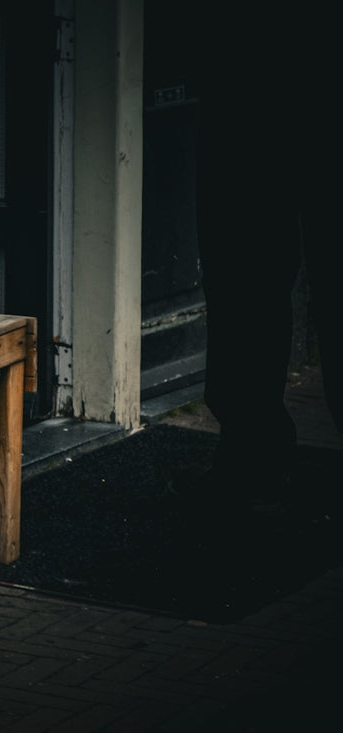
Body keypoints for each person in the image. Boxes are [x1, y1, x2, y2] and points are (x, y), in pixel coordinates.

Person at [193, 6, 341, 508]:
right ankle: (250, 458)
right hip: (247, 47)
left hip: (249, 49)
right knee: (242, 264)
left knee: (243, 263)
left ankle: (251, 459)